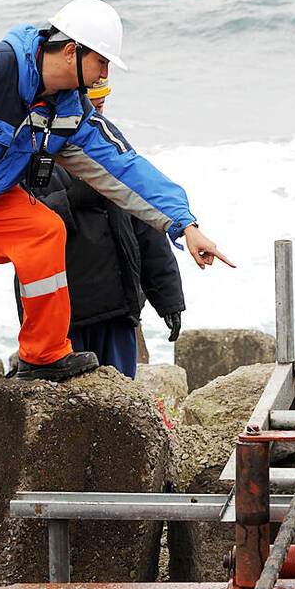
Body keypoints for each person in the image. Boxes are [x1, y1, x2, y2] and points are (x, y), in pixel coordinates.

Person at [0, 0, 233, 436]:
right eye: (101, 61)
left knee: (43, 231)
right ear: (70, 51)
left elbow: (124, 166)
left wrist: (185, 224)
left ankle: (43, 354)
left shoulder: (69, 111)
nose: (104, 74)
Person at [12, 76, 185, 378]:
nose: (94, 117)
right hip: (60, 318)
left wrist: (168, 297)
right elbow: (13, 226)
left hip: (119, 309)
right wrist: (70, 200)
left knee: (121, 394)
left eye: (100, 107)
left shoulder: (114, 155)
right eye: (87, 107)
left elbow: (147, 227)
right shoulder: (26, 152)